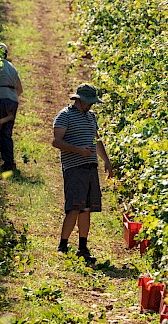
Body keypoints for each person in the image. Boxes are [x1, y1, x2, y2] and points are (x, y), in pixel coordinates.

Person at [52, 83, 113, 264]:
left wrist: (106, 161)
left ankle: (82, 247)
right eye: (89, 102)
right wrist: (78, 150)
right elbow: (56, 141)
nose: (91, 105)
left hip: (90, 167)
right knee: (74, 207)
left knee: (87, 208)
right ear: (80, 100)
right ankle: (63, 245)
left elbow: (97, 140)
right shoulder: (65, 116)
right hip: (74, 167)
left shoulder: (91, 117)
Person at [0, 43, 23, 172]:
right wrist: (10, 98)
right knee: (7, 133)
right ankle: (9, 162)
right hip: (13, 100)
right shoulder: (12, 67)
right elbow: (20, 89)